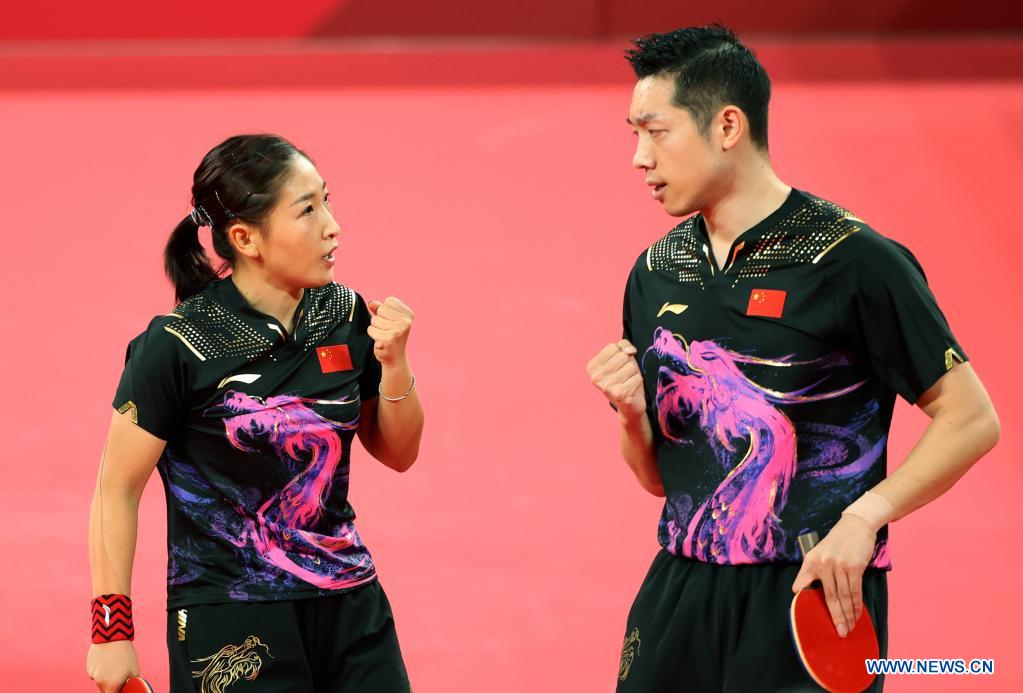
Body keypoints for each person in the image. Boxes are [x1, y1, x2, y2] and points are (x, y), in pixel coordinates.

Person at [586, 26, 1000, 692]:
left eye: (655, 132)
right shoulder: (657, 272)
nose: (638, 156)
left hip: (811, 589)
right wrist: (630, 415)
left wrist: (866, 516)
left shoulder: (853, 260)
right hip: (681, 585)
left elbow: (971, 417)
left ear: (726, 126)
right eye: (632, 133)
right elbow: (662, 480)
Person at [86, 134, 423, 692]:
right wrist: (111, 631)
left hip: (350, 602)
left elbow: (399, 452)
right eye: (308, 210)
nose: (332, 225)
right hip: (232, 615)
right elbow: (115, 488)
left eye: (328, 201)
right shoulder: (178, 343)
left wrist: (395, 364)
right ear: (245, 238)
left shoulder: (345, 315)